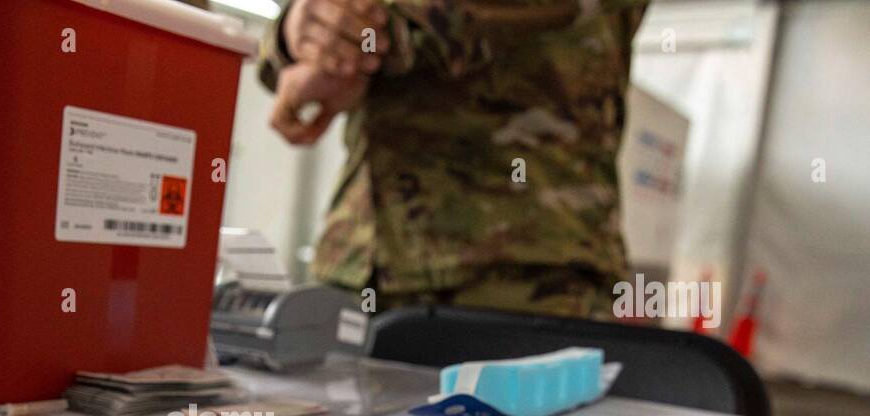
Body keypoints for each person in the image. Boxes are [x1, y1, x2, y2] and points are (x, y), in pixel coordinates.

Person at [259, 0, 648, 320]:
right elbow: (313, 27)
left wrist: (367, 30)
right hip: (356, 268)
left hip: (523, 278)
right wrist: (297, 32)